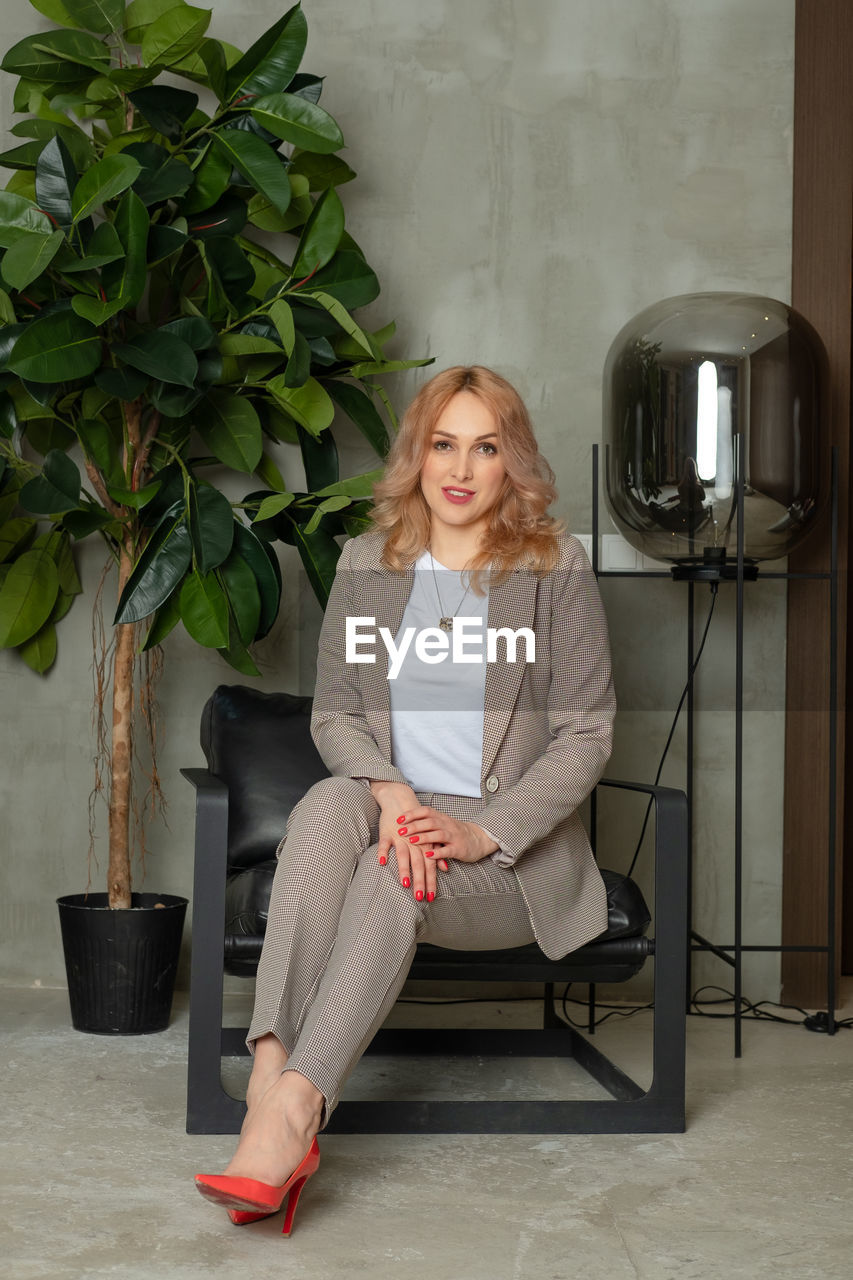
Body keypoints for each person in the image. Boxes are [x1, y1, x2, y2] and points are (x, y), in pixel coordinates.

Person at [195, 365, 616, 1233]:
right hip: (391, 804)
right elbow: (338, 714)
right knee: (328, 808)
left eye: (485, 447)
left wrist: (474, 833)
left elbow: (586, 737)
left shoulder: (554, 568)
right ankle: (275, 1074)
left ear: (512, 463)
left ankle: (290, 1111)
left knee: (398, 876)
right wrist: (389, 794)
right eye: (442, 443)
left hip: (507, 855)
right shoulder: (366, 562)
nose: (460, 468)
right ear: (417, 456)